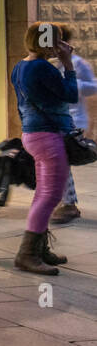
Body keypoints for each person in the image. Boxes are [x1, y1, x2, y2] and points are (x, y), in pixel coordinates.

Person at [9, 21, 78, 274]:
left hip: (33, 134)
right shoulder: (42, 68)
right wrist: (68, 62)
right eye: (56, 39)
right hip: (48, 136)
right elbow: (71, 94)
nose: (60, 45)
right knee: (51, 196)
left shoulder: (20, 66)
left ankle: (39, 249)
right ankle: (27, 254)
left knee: (43, 194)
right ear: (47, 41)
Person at [52, 26, 97, 224]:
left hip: (73, 119)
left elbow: (93, 87)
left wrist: (75, 85)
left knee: (61, 162)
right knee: (59, 162)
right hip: (56, 118)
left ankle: (69, 204)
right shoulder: (50, 64)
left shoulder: (78, 64)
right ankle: (66, 202)